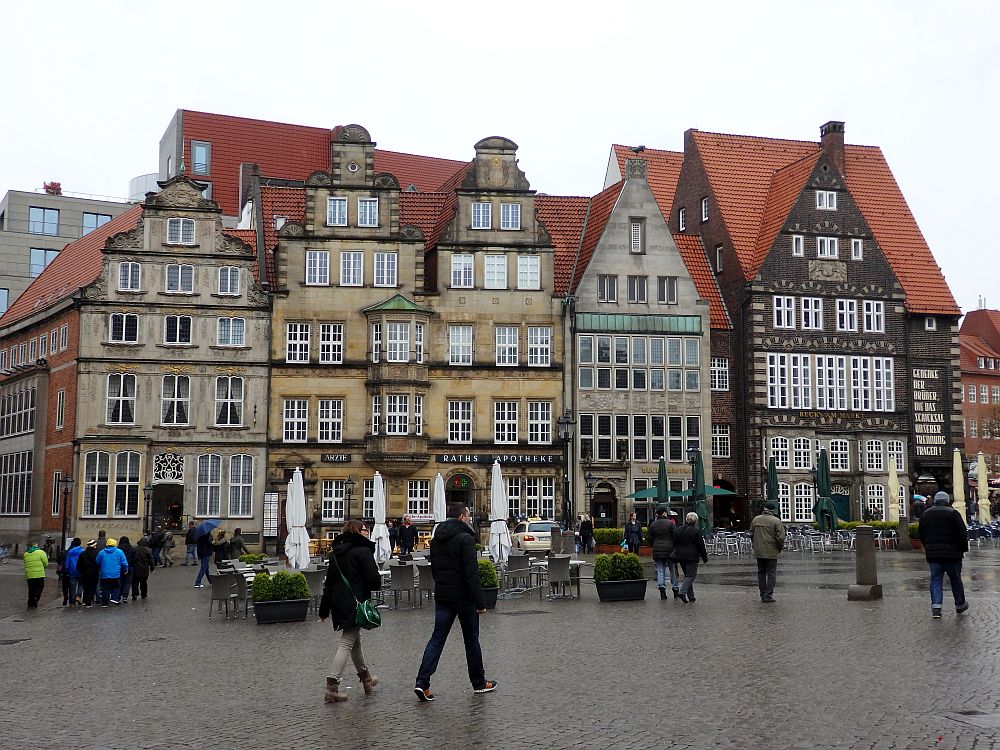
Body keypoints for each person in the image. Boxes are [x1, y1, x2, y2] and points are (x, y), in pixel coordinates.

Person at [414, 502, 497, 702]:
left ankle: (422, 682)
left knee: (437, 639)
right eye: (468, 515)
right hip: (465, 598)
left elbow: (435, 570)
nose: (469, 519)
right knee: (471, 641)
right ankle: (478, 682)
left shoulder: (436, 540)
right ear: (461, 517)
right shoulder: (465, 539)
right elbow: (471, 573)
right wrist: (480, 601)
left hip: (443, 596)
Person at [318, 520, 382, 703]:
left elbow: (328, 584)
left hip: (339, 603)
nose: (367, 532)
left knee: (355, 642)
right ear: (357, 531)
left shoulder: (336, 554)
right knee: (347, 642)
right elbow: (374, 579)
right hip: (356, 603)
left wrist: (324, 610)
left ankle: (366, 679)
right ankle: (332, 685)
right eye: (365, 529)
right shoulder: (363, 551)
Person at [918, 491, 970, 619]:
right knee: (955, 579)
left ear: (935, 501)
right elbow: (962, 533)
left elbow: (921, 533)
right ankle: (960, 604)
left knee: (935, 580)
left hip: (934, 555)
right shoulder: (953, 513)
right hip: (953, 554)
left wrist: (928, 548)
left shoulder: (926, 514)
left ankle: (936, 607)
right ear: (947, 501)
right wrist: (962, 549)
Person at [751, 501, 786, 603]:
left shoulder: (756, 519)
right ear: (773, 510)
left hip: (759, 551)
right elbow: (780, 537)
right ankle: (768, 595)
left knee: (761, 573)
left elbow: (751, 534)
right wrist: (780, 548)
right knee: (771, 573)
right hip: (771, 551)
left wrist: (755, 545)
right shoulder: (776, 521)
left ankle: (762, 594)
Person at [673, 512, 709, 603]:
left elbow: (674, 543)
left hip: (680, 556)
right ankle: (682, 592)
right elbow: (701, 545)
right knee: (691, 576)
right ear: (695, 521)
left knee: (687, 576)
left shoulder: (678, 530)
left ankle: (691, 596)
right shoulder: (696, 531)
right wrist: (705, 558)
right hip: (692, 556)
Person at [647, 504, 679, 599]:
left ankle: (662, 591)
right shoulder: (670, 523)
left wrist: (654, 545)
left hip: (657, 550)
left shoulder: (653, 524)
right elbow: (676, 536)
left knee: (660, 570)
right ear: (664, 513)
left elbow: (649, 538)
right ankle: (675, 589)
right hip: (670, 550)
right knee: (672, 570)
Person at [96, 538, 128, 607]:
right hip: (116, 573)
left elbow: (97, 562)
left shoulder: (102, 552)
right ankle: (114, 598)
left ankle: (104, 603)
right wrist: (125, 569)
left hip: (105, 573)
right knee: (116, 586)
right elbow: (124, 563)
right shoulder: (119, 552)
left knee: (105, 588)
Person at [23, 540, 49, 609]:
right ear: (36, 545)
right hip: (39, 574)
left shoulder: (26, 554)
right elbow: (46, 563)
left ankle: (30, 604)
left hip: (29, 575)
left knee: (31, 589)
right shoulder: (41, 552)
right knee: (40, 587)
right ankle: (36, 598)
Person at [77, 540, 100, 608]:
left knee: (86, 587)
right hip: (94, 573)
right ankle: (88, 602)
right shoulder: (96, 554)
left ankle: (84, 601)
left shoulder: (83, 553)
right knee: (92, 588)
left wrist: (82, 571)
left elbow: (79, 565)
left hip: (85, 573)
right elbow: (98, 563)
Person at [64, 538, 84, 607]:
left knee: (72, 587)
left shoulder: (70, 551)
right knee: (81, 584)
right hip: (81, 570)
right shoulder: (82, 551)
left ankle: (72, 603)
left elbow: (67, 562)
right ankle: (78, 596)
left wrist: (66, 569)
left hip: (72, 570)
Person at [118, 537, 135, 604]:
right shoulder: (132, 548)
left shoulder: (119, 548)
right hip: (129, 567)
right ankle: (125, 596)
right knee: (127, 582)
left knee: (120, 582)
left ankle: (118, 596)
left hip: (120, 567)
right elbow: (135, 558)